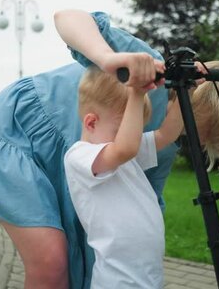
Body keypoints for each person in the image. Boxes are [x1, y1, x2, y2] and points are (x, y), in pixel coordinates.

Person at [0, 9, 219, 289]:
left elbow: (139, 202)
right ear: (204, 97)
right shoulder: (145, 66)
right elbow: (68, 18)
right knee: (51, 262)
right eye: (214, 125)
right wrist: (109, 59)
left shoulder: (167, 144)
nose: (206, 140)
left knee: (75, 268)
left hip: (74, 164)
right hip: (18, 137)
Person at [64, 66, 185, 288]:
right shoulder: (79, 156)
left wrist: (188, 89)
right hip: (117, 280)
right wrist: (137, 93)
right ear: (91, 123)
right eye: (125, 128)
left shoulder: (126, 153)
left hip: (148, 276)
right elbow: (126, 148)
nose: (133, 136)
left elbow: (167, 134)